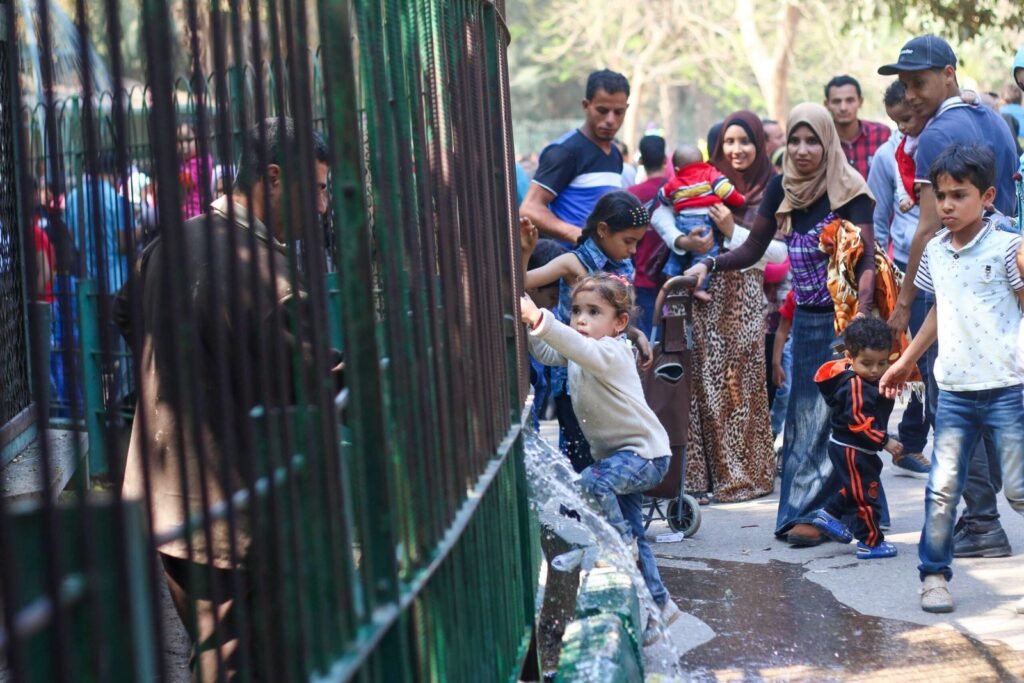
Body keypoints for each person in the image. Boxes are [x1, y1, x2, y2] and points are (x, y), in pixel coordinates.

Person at [116, 117, 336, 681]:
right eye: (317, 188)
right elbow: (307, 378)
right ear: (273, 177)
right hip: (227, 512)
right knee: (242, 662)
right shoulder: (271, 273)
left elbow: (122, 311)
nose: (323, 206)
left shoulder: (169, 242)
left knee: (217, 651)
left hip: (159, 496)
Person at [685, 103, 882, 543]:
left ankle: (842, 511)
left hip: (844, 321)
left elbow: (867, 258)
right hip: (807, 318)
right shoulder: (782, 187)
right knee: (805, 422)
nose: (803, 149)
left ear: (827, 141)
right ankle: (813, 511)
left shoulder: (850, 191)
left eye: (812, 140)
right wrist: (710, 264)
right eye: (795, 140)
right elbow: (753, 247)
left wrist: (862, 320)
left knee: (845, 417)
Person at [879, 34, 1021, 559]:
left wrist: (901, 305)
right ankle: (985, 518)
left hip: (959, 282)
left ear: (949, 73)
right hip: (998, 282)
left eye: (919, 83)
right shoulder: (994, 120)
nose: (911, 95)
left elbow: (926, 229)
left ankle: (983, 523)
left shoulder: (939, 136)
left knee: (956, 403)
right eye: (905, 85)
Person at [520, 273, 681, 640]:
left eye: (594, 312)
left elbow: (575, 347)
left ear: (619, 323)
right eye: (576, 310)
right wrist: (533, 323)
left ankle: (617, 546)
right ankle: (659, 606)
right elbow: (547, 350)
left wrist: (540, 319)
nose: (580, 320)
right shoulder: (582, 347)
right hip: (622, 459)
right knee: (637, 535)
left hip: (645, 455)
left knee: (593, 481)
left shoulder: (611, 350)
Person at [654, 111, 784, 504]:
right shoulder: (699, 181)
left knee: (739, 389)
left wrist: (733, 231)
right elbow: (658, 212)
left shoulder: (772, 189)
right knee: (703, 388)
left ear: (759, 144)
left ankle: (744, 475)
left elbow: (779, 251)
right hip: (703, 298)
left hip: (743, 299)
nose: (737, 149)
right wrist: (682, 241)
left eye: (745, 141)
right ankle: (702, 477)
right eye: (729, 142)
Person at [523, 190, 651, 473]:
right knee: (581, 460)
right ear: (603, 230)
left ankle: (613, 514)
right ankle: (579, 516)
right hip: (577, 383)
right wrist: (525, 253)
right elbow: (523, 282)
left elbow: (615, 316)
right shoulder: (573, 263)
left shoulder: (622, 264)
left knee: (618, 455)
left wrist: (635, 334)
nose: (632, 250)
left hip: (612, 380)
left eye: (636, 243)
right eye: (628, 241)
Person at [867, 81, 932, 478]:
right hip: (907, 270)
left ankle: (913, 439)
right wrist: (879, 281)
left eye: (909, 118)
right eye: (897, 122)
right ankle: (887, 440)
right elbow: (877, 222)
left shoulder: (942, 140)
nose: (904, 128)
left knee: (931, 361)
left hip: (947, 265)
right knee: (910, 358)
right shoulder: (886, 156)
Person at [810, 317, 901, 559]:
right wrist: (885, 441)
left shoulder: (864, 380)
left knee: (858, 489)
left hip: (855, 448)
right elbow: (860, 422)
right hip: (853, 447)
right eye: (867, 363)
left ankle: (828, 515)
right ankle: (870, 542)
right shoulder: (856, 385)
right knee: (867, 496)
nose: (875, 370)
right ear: (850, 357)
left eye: (882, 363)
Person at [520, 69, 629, 244]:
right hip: (571, 265)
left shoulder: (615, 154)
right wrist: (581, 237)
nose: (610, 119)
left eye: (618, 112)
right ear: (586, 105)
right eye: (602, 110)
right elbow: (530, 208)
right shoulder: (564, 152)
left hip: (605, 267)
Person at [657, 144, 745, 301]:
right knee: (705, 254)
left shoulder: (675, 180)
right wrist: (740, 200)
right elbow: (725, 190)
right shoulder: (709, 172)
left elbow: (662, 196)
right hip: (704, 220)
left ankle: (670, 281)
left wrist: (677, 197)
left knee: (677, 256)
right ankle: (698, 287)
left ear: (677, 169)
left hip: (681, 221)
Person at [626, 134, 669, 336]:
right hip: (676, 278)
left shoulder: (631, 194)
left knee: (649, 340)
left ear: (641, 161)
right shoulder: (676, 191)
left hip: (645, 277)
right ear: (665, 159)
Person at [824, 75, 891, 179]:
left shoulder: (882, 134)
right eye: (836, 101)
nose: (843, 108)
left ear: (860, 102)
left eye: (850, 100)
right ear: (827, 104)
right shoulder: (821, 139)